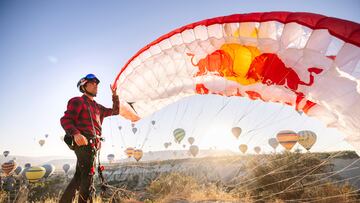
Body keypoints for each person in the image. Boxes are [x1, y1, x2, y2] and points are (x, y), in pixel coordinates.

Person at [59, 73, 119, 203]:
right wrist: (76, 134)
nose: (96, 85)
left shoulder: (98, 107)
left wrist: (115, 96)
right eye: (92, 83)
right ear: (83, 86)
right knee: (88, 177)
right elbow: (65, 120)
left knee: (79, 177)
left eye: (97, 83)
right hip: (84, 143)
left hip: (93, 145)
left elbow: (115, 111)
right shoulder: (77, 101)